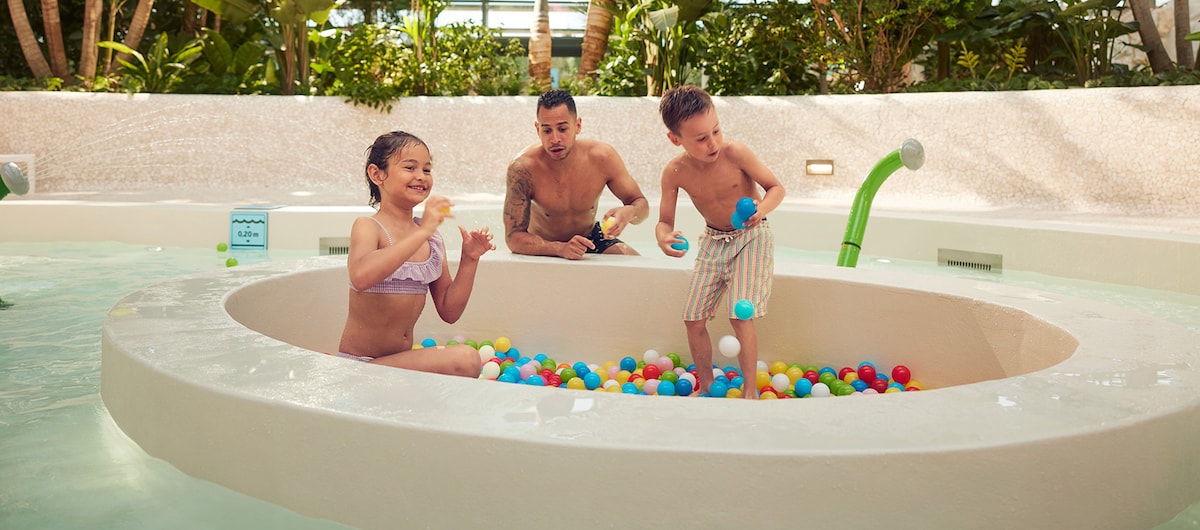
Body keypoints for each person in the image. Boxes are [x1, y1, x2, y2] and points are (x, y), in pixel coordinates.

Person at [654, 85, 786, 399]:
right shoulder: (674, 172)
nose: (713, 142)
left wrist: (760, 210)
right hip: (713, 241)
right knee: (693, 318)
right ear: (676, 139)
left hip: (752, 236)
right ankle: (707, 386)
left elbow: (776, 188)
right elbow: (664, 222)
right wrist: (663, 238)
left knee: (740, 314)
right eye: (700, 138)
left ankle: (750, 392)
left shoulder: (735, 153)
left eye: (716, 130)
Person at [336, 131, 496, 377]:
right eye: (410, 167)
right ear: (377, 174)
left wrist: (469, 259)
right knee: (466, 359)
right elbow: (361, 276)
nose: (421, 177)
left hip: (397, 365)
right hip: (361, 367)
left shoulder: (430, 238)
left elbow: (449, 311)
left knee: (468, 359)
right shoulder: (369, 227)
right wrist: (424, 231)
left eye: (427, 170)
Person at [503, 89, 650, 259]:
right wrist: (560, 249)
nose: (555, 139)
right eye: (547, 131)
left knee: (636, 266)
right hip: (543, 246)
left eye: (562, 129)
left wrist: (630, 212)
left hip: (590, 239)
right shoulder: (523, 169)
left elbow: (641, 205)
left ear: (577, 126)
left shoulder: (602, 157)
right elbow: (513, 238)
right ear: (537, 129)